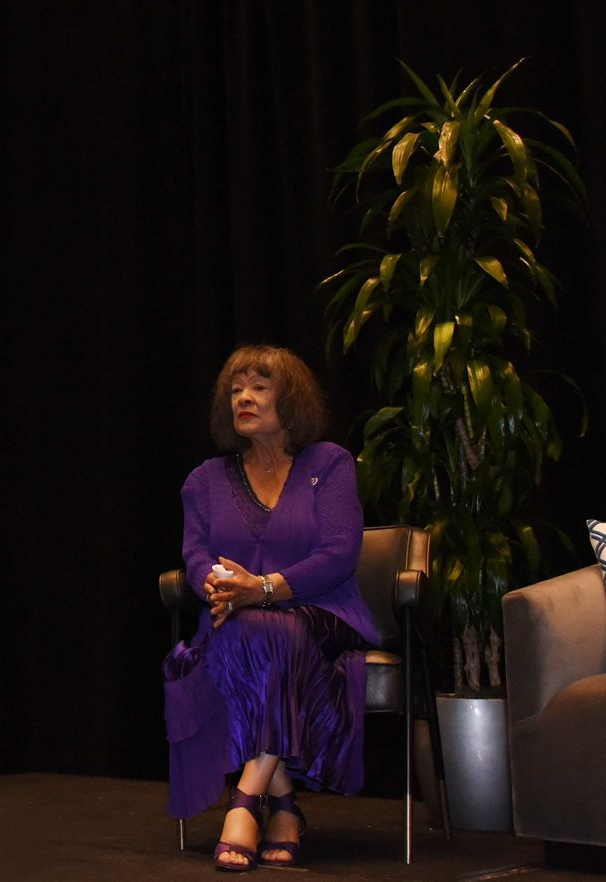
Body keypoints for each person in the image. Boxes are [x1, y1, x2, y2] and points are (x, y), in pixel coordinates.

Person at [162, 345, 377, 872]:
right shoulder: (203, 480)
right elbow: (195, 558)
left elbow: (339, 553)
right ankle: (282, 805)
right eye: (236, 389)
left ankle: (246, 798)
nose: (245, 398)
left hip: (324, 617)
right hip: (233, 620)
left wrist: (261, 588)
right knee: (253, 630)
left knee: (266, 629)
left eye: (259, 387)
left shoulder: (328, 464)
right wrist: (220, 589)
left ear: (292, 400)